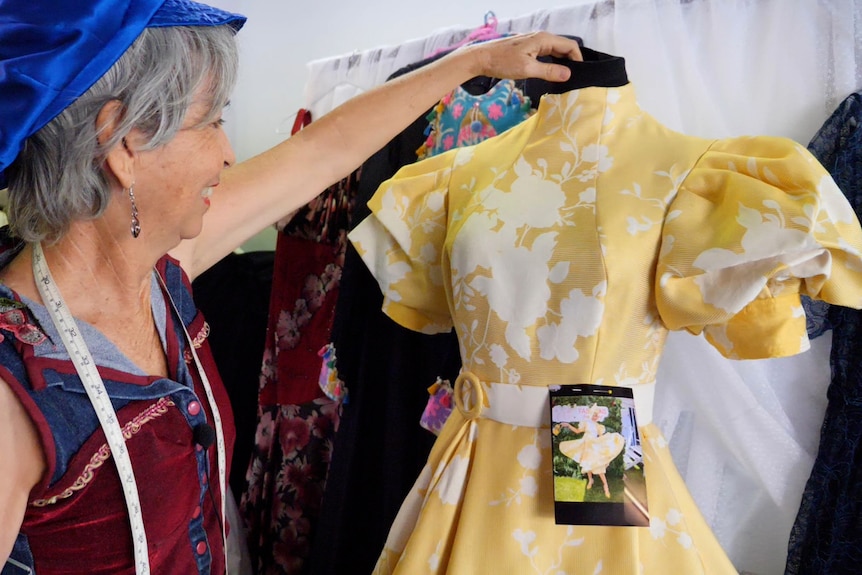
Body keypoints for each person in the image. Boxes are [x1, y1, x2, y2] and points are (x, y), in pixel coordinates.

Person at [0, 1, 584, 572]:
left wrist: (470, 62)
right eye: (212, 121)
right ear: (124, 141)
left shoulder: (156, 264)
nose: (228, 154)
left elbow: (319, 151)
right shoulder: (13, 393)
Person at [555, 404, 625, 499]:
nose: (595, 417)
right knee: (587, 465)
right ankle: (590, 480)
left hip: (594, 447)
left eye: (597, 415)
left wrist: (604, 447)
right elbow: (577, 431)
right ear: (590, 415)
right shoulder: (586, 423)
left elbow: (601, 438)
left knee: (599, 467)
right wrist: (568, 425)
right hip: (586, 446)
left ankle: (606, 486)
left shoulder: (598, 426)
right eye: (594, 415)